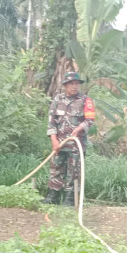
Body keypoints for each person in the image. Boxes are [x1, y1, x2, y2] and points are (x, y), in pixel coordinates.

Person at [42, 71, 96, 206]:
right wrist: (54, 140)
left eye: (76, 84)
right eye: (71, 84)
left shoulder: (85, 100)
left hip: (76, 145)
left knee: (74, 172)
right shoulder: (57, 100)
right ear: (65, 85)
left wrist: (80, 128)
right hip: (59, 144)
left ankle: (70, 198)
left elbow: (90, 119)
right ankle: (52, 196)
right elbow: (51, 122)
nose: (74, 86)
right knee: (56, 169)